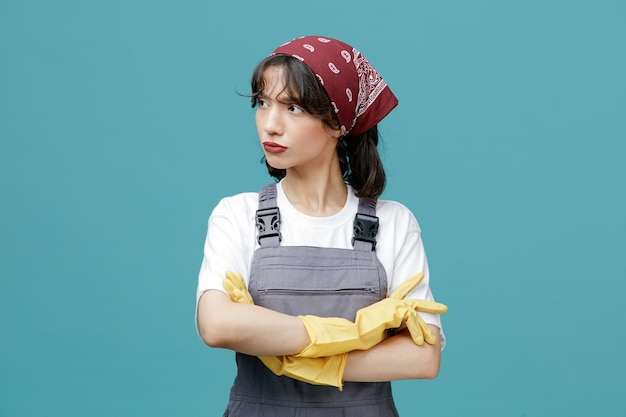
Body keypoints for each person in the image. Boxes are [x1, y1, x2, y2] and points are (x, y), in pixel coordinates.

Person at [196, 35, 447, 417]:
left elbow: (422, 356)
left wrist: (317, 361)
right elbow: (215, 324)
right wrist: (346, 337)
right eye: (262, 103)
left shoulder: (394, 224)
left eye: (292, 107)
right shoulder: (237, 215)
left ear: (337, 122)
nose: (271, 125)